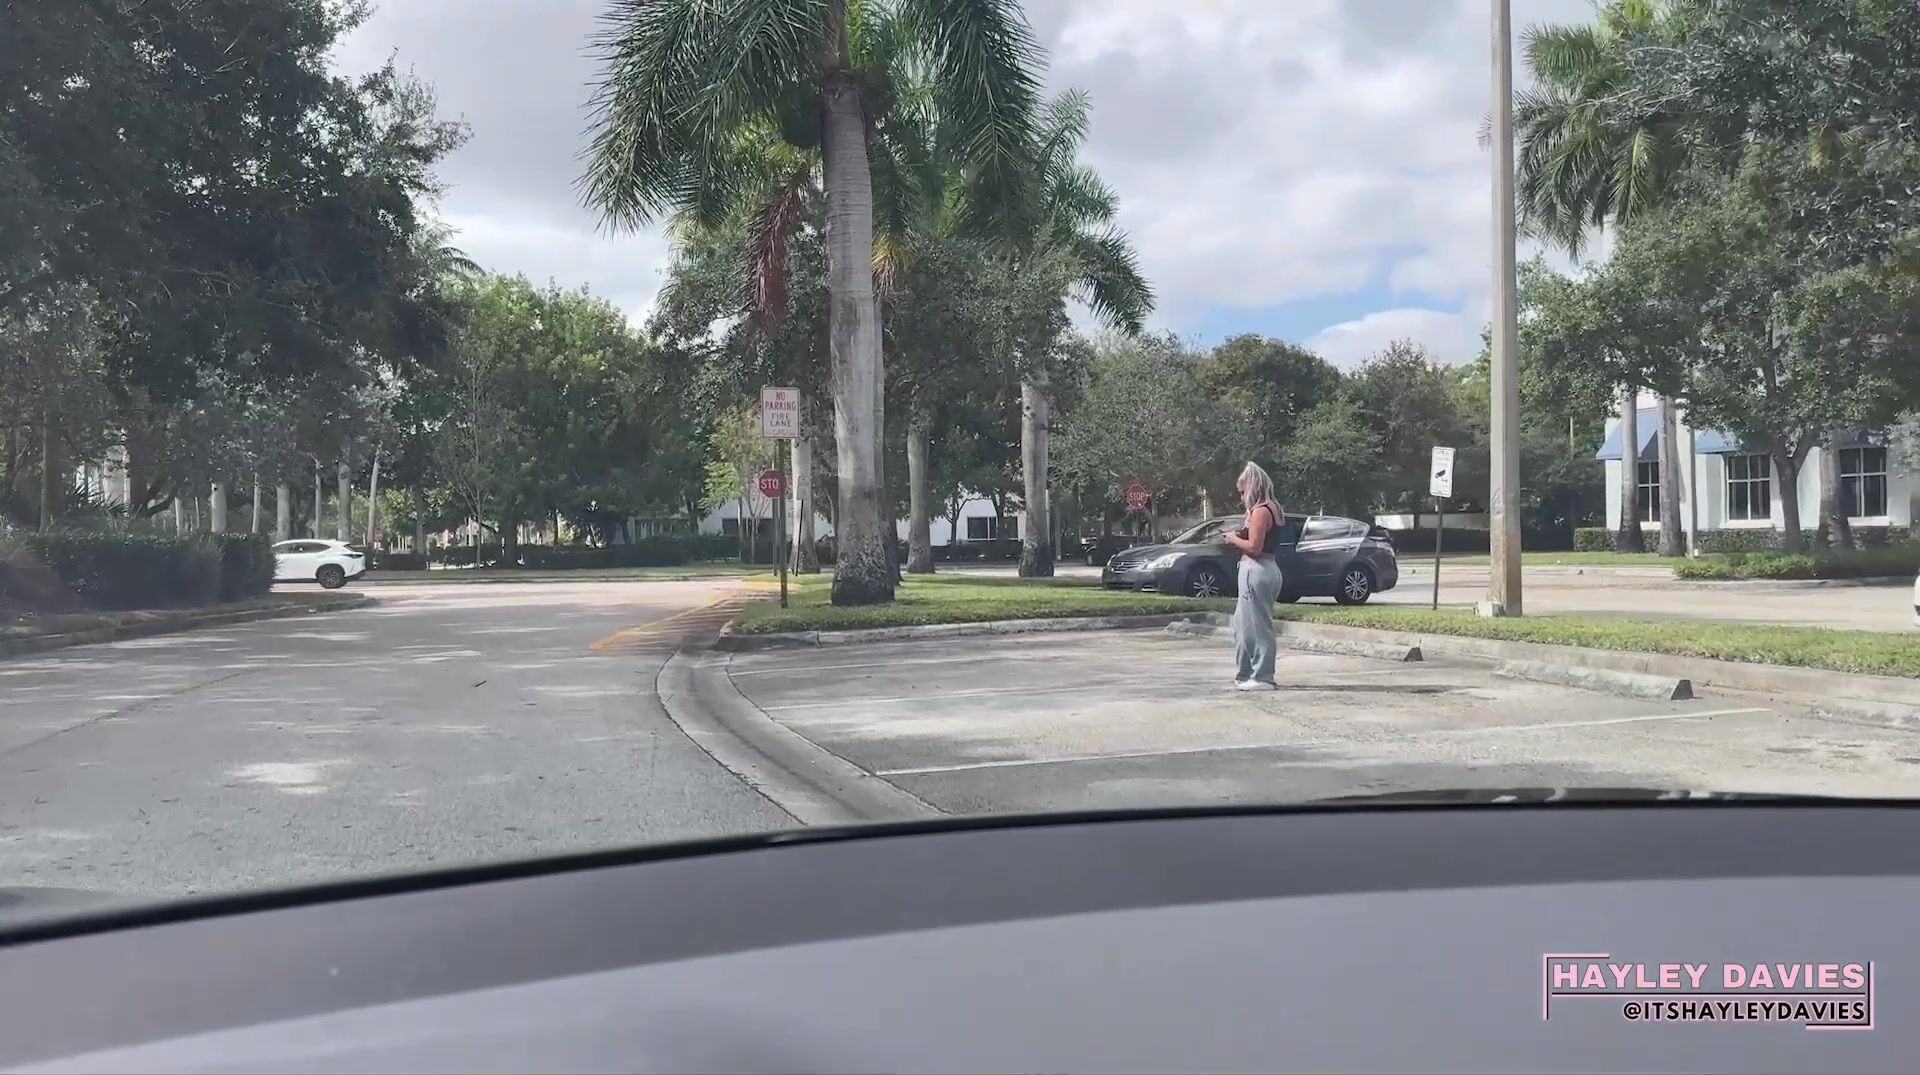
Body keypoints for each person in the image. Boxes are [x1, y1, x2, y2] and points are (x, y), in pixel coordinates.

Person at [1220, 461, 1285, 690]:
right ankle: (1247, 674)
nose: (1241, 496)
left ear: (1252, 487)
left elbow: (1255, 547)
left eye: (1243, 491)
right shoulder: (1271, 508)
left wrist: (1232, 538)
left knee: (1257, 626)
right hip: (1264, 570)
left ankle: (1262, 676)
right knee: (1242, 626)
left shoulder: (1261, 511)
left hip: (1256, 570)